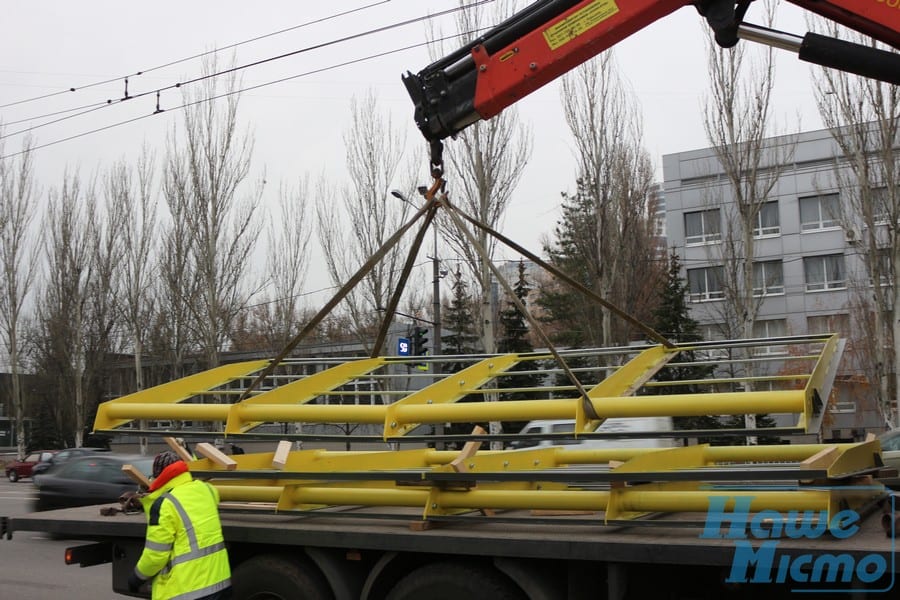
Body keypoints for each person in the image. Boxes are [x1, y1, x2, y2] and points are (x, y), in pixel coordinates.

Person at [128, 451, 232, 599]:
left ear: (159, 475)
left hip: (188, 591)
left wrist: (136, 578)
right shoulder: (207, 490)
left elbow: (155, 556)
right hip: (219, 584)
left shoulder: (164, 504)